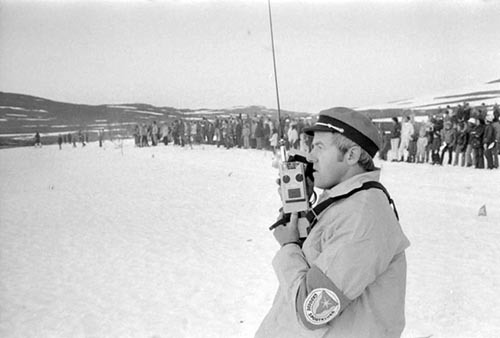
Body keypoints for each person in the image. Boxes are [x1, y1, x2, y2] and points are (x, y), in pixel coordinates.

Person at [256, 107, 410, 338]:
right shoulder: (345, 203)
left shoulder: (362, 217)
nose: (310, 157)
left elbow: (312, 311)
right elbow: (318, 257)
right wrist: (296, 210)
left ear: (351, 155)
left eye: (319, 147)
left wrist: (289, 248)